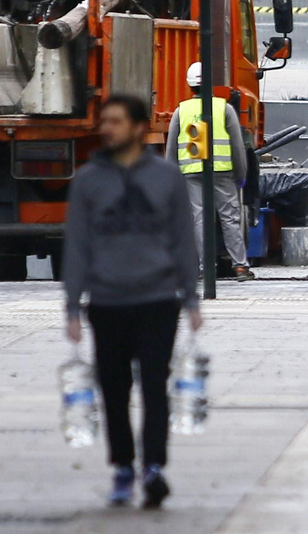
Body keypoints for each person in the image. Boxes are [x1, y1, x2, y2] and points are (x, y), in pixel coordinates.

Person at [64, 94, 202, 509]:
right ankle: (123, 466)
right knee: (113, 387)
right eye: (104, 121)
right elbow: (77, 245)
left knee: (155, 385)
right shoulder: (88, 180)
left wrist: (191, 298)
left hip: (157, 299)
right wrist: (72, 306)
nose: (106, 128)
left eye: (116, 121)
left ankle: (154, 466)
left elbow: (183, 239)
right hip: (107, 301)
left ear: (139, 127)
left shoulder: (167, 177)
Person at [167, 62, 253, 281]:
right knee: (230, 218)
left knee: (199, 219)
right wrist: (241, 175)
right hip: (222, 172)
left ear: (190, 85)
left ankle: (206, 267)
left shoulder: (181, 111)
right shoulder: (225, 109)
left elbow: (171, 149)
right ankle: (240, 267)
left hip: (192, 173)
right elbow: (237, 147)